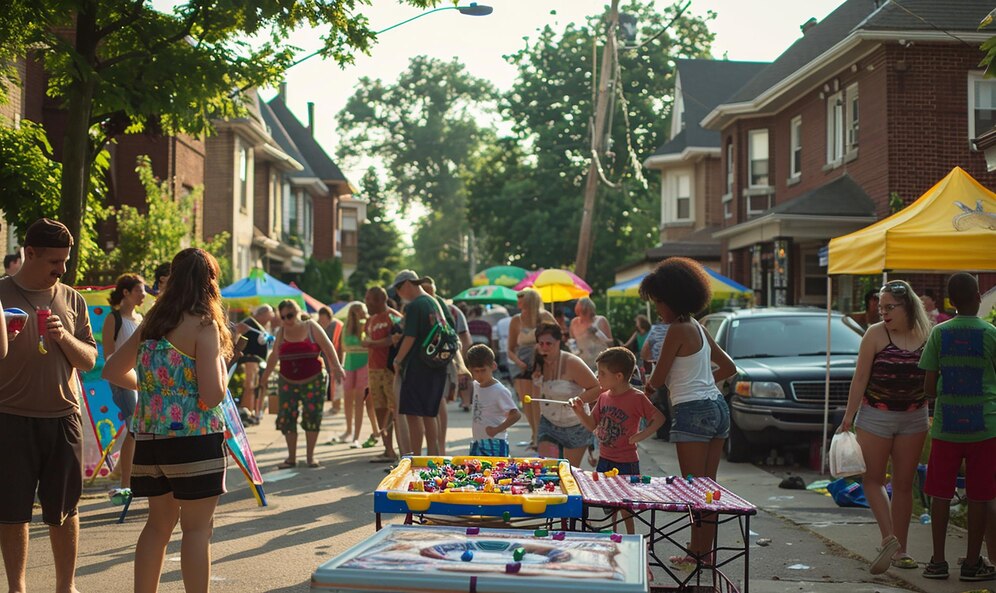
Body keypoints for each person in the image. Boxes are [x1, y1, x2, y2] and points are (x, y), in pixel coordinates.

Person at [101, 248, 230, 593]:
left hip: (150, 439)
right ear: (209, 282)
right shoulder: (204, 325)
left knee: (157, 526)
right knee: (197, 529)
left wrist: (152, 387)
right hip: (195, 438)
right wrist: (222, 368)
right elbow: (212, 395)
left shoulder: (152, 322)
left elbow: (112, 369)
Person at [0, 218, 96, 593]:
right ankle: (17, 588)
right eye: (54, 261)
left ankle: (65, 586)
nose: (62, 269)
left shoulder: (72, 298)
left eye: (65, 261)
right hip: (9, 417)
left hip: (63, 417)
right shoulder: (1, 295)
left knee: (65, 509)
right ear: (30, 252)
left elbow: (89, 359)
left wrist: (64, 337)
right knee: (11, 511)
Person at [640, 257, 737, 566]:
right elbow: (729, 367)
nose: (657, 309)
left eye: (659, 302)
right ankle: (702, 553)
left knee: (695, 488)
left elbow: (657, 381)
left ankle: (698, 552)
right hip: (717, 408)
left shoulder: (677, 330)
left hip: (693, 412)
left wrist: (643, 389)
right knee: (709, 487)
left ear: (673, 298)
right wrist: (702, 382)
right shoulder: (696, 325)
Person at [839, 280, 931, 574]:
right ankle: (889, 538)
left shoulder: (927, 333)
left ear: (907, 307)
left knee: (904, 485)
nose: (883, 313)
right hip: (875, 416)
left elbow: (934, 378)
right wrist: (848, 417)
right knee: (873, 479)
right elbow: (861, 376)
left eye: (890, 307)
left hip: (914, 417)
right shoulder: (875, 334)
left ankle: (900, 550)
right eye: (881, 307)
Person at [919, 272, 996, 582]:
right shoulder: (991, 333)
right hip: (985, 427)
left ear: (949, 302)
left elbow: (928, 387)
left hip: (947, 427)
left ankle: (938, 561)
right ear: (978, 298)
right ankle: (972, 562)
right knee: (979, 494)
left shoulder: (939, 334)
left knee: (940, 493)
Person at [571, 347, 665, 532]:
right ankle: (613, 535)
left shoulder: (636, 398)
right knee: (609, 503)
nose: (598, 377)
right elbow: (592, 425)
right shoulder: (604, 397)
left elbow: (659, 418)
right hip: (605, 459)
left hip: (626, 462)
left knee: (625, 506)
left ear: (619, 376)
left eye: (602, 373)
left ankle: (631, 536)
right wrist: (580, 412)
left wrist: (639, 436)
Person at [261, 299, 344, 469]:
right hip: (287, 380)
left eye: (290, 316)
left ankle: (310, 457)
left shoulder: (311, 326)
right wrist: (265, 376)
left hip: (313, 380)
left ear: (298, 312)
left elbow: (328, 347)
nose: (286, 320)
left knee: (312, 416)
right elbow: (274, 356)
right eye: (283, 317)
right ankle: (291, 458)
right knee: (287, 417)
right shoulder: (281, 331)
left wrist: (336, 367)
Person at [392, 270, 453, 456]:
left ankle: (416, 456)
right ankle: (433, 455)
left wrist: (398, 359)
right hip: (437, 364)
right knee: (429, 413)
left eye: (399, 290)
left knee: (412, 413)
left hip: (418, 366)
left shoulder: (415, 305)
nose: (399, 295)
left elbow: (410, 337)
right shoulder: (435, 301)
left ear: (408, 284)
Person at [103, 273, 147, 501]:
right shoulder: (114, 318)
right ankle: (125, 483)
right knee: (135, 428)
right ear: (126, 293)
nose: (144, 294)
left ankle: (122, 473)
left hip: (142, 382)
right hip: (122, 382)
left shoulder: (141, 318)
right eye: (139, 290)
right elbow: (109, 354)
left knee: (135, 431)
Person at [531, 322, 601, 467]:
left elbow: (596, 388)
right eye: (541, 343)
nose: (544, 347)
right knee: (546, 469)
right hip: (549, 423)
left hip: (575, 425)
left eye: (549, 344)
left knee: (568, 472)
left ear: (558, 342)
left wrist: (578, 400)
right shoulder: (538, 361)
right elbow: (534, 398)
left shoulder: (572, 363)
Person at [422, 276, 472, 451]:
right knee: (436, 402)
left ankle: (439, 447)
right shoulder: (442, 306)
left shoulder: (439, 306)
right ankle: (437, 446)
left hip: (440, 359)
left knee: (438, 401)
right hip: (438, 358)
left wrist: (463, 362)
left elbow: (458, 335)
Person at [508, 288, 556, 449]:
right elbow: (510, 348)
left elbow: (557, 338)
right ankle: (534, 433)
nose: (520, 305)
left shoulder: (545, 317)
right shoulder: (516, 320)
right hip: (522, 363)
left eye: (523, 301)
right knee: (526, 402)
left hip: (540, 362)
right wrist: (518, 362)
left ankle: (539, 437)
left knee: (536, 401)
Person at [362, 287, 401, 463]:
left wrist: (372, 343)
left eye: (369, 299)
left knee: (395, 409)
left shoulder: (393, 317)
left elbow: (396, 339)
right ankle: (388, 449)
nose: (366, 303)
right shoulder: (369, 320)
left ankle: (402, 449)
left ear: (380, 300)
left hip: (389, 370)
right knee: (379, 408)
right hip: (373, 369)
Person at [465, 344, 521, 456]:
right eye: (476, 371)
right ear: (470, 369)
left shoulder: (499, 390)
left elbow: (516, 414)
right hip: (477, 440)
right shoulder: (476, 385)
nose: (480, 375)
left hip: (495, 441)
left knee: (497, 471)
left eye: (483, 370)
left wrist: (497, 429)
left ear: (493, 366)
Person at [342, 302, 378, 448]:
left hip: (365, 363)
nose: (357, 314)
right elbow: (344, 345)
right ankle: (350, 430)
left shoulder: (368, 323)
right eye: (354, 312)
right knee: (348, 398)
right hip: (350, 362)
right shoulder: (347, 326)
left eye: (359, 311)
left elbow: (367, 342)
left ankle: (356, 435)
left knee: (360, 398)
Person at [234, 304, 275, 425]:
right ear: (262, 314)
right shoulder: (249, 323)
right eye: (270, 313)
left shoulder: (259, 325)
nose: (272, 316)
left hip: (256, 362)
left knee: (253, 388)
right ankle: (245, 411)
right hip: (249, 361)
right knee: (249, 386)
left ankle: (251, 411)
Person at [570, 296, 613, 369]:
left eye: (589, 313)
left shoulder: (601, 320)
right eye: (582, 313)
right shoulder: (574, 323)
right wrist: (575, 352)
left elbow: (611, 344)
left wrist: (598, 333)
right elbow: (572, 342)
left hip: (600, 363)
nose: (586, 316)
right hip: (582, 364)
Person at [317, 306, 344, 415]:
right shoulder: (322, 326)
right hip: (327, 360)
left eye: (323, 318)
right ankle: (335, 405)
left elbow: (338, 344)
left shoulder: (336, 325)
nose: (322, 320)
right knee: (333, 383)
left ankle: (336, 406)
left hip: (337, 358)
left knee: (337, 383)